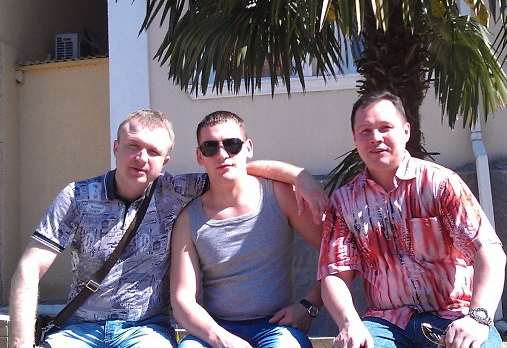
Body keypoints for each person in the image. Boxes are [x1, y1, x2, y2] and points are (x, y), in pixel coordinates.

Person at [9, 109, 328, 348]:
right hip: (78, 329)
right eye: (133, 146)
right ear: (116, 147)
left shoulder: (175, 192)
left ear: (166, 161)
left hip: (144, 331)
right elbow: (29, 268)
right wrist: (20, 344)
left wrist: (300, 177)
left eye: (153, 151)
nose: (141, 157)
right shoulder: (77, 196)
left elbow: (234, 170)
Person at [318, 91, 506, 348]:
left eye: (385, 128)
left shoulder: (441, 184)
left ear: (406, 131)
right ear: (354, 138)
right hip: (385, 323)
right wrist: (349, 323)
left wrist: (477, 319)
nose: (375, 138)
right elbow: (334, 274)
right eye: (365, 131)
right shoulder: (344, 202)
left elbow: (490, 252)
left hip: (453, 316)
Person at [171, 111, 323, 348]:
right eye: (210, 147)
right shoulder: (188, 219)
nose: (222, 154)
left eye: (232, 144)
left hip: (275, 327)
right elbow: (182, 299)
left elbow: (338, 255)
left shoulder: (278, 195)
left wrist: (309, 306)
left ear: (248, 147)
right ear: (200, 156)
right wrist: (222, 339)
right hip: (216, 328)